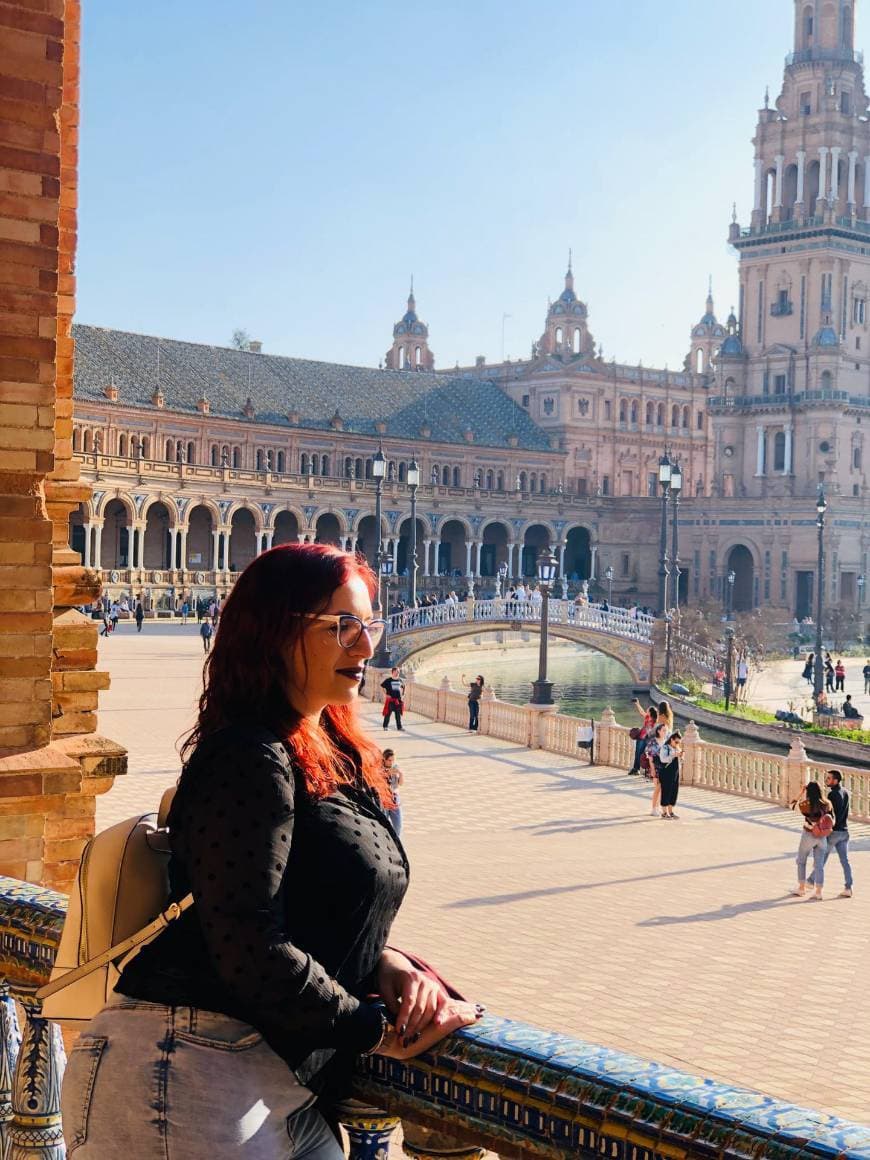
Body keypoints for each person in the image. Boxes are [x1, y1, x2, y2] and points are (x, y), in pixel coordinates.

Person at [61, 543, 481, 1158]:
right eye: (342, 627)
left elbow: (304, 897)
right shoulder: (247, 756)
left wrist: (386, 961)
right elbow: (245, 937)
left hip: (276, 1084)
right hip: (184, 1076)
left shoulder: (329, 755)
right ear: (276, 632)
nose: (365, 647)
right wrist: (372, 1029)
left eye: (369, 625)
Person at [808, 770, 852, 899]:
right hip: (845, 831)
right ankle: (848, 887)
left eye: (829, 778)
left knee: (821, 858)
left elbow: (831, 816)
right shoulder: (846, 792)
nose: (826, 780)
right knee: (845, 861)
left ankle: (810, 882)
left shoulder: (832, 795)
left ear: (836, 780)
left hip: (834, 833)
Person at [790, 780, 833, 900]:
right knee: (819, 865)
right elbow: (831, 819)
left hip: (808, 835)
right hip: (822, 837)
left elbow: (792, 805)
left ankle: (801, 888)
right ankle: (818, 892)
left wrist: (801, 792)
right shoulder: (827, 804)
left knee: (801, 860)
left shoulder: (805, 804)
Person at [656, 731, 683, 819]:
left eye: (679, 742)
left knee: (674, 792)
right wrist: (673, 755)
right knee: (666, 791)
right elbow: (663, 759)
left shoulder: (677, 748)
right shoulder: (665, 748)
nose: (677, 744)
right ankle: (664, 813)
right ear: (671, 739)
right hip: (666, 773)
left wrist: (681, 756)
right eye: (676, 742)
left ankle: (671, 812)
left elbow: (681, 761)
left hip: (675, 773)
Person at [628, 700, 656, 776]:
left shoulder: (655, 721)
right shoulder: (647, 717)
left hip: (646, 739)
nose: (646, 711)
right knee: (637, 753)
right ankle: (636, 769)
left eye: (648, 710)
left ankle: (642, 770)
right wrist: (637, 704)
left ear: (651, 712)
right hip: (640, 738)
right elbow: (641, 712)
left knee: (643, 754)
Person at [646, 722, 668, 816]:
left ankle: (657, 807)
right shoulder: (653, 742)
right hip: (656, 767)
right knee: (658, 788)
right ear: (658, 731)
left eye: (666, 730)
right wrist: (653, 771)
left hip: (665, 767)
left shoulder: (666, 741)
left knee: (662, 789)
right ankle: (654, 808)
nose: (665, 732)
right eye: (664, 730)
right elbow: (650, 758)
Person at [382, 748, 404, 835]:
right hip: (384, 798)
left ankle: (397, 843)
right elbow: (376, 780)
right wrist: (387, 773)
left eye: (393, 760)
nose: (391, 762)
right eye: (389, 760)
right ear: (384, 759)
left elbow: (400, 784)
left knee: (398, 825)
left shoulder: (395, 767)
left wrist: (401, 774)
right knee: (384, 824)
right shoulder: (379, 768)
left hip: (395, 797)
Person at [380, 666, 405, 731]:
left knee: (398, 715)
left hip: (398, 700)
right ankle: (385, 726)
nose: (397, 673)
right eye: (396, 672)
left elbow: (403, 687)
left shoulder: (400, 680)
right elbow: (382, 686)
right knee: (387, 714)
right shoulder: (388, 680)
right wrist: (386, 694)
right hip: (390, 700)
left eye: (398, 672)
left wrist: (403, 695)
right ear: (392, 672)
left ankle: (399, 727)